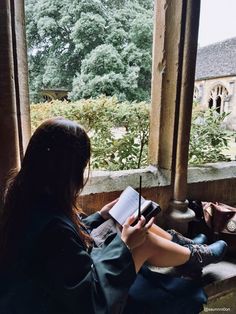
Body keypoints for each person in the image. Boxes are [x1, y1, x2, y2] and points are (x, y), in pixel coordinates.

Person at [0, 117, 227, 314]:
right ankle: (195, 256)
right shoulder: (51, 224)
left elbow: (60, 245)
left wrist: (100, 216)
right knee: (140, 239)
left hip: (52, 285)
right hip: (57, 303)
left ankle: (184, 249)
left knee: (123, 218)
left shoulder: (26, 193)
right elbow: (89, 302)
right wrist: (125, 243)